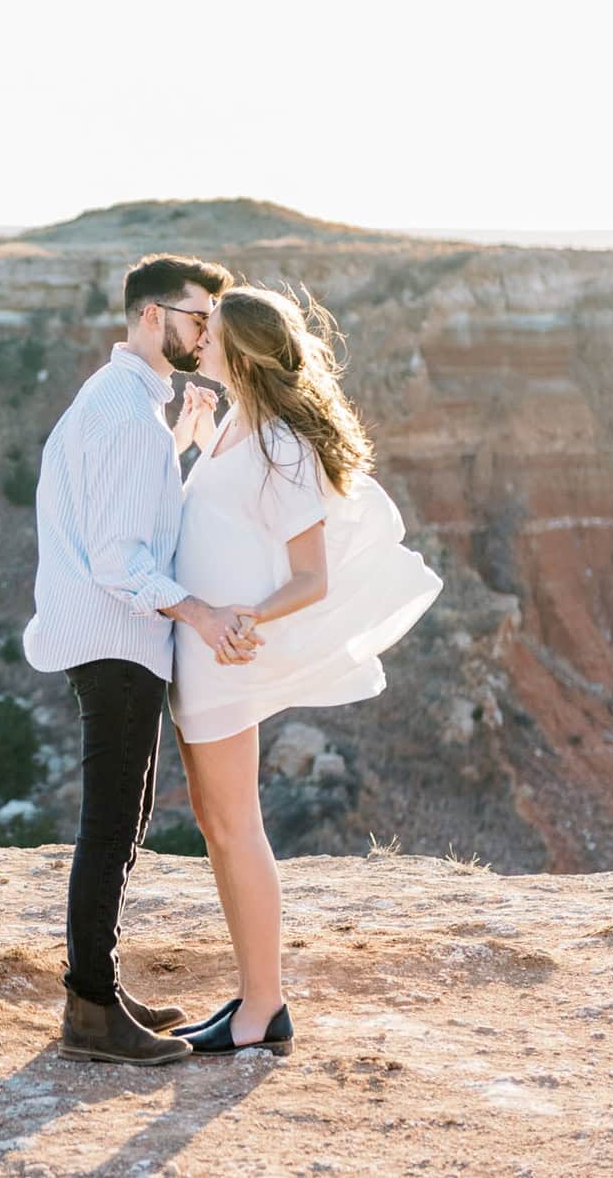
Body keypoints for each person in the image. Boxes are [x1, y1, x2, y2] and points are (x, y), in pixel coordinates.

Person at [163, 284, 443, 1057]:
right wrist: (189, 444)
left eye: (212, 331)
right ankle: (254, 994)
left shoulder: (281, 443)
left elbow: (309, 577)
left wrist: (246, 618)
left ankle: (263, 1007)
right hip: (202, 651)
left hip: (226, 656)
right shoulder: (232, 429)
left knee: (234, 826)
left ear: (243, 349)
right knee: (218, 826)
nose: (200, 339)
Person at [22, 252, 259, 1066]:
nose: (207, 334)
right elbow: (124, 564)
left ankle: (101, 988)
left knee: (120, 827)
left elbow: (132, 530)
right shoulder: (125, 415)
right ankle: (89, 1008)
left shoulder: (127, 405)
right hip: (118, 643)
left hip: (117, 643)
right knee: (109, 827)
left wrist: (182, 448)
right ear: (152, 316)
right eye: (199, 318)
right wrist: (203, 614)